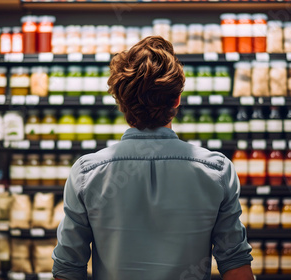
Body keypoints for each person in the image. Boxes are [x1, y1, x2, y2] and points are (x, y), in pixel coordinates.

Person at [52, 36, 253, 280]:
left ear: (121, 103)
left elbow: (68, 269)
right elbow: (235, 266)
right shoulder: (217, 170)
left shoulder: (86, 173)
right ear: (177, 100)